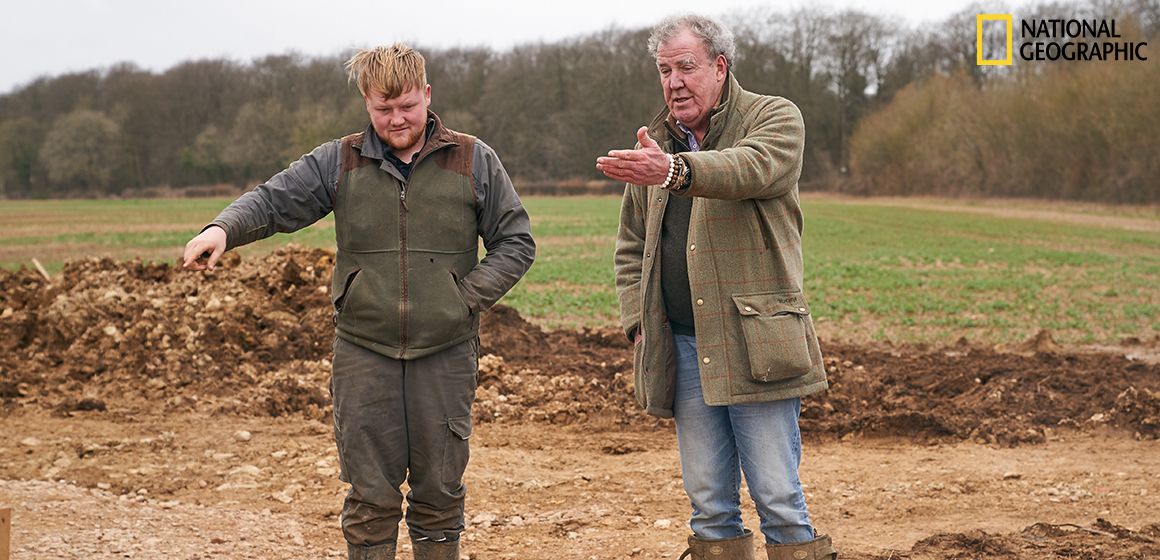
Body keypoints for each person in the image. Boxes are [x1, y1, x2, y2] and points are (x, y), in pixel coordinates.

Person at [182, 44, 535, 560]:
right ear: (366, 104)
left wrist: (463, 299)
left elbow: (516, 242)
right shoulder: (340, 160)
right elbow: (275, 199)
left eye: (407, 107)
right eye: (382, 109)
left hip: (446, 350)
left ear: (428, 95)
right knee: (370, 496)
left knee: (439, 493)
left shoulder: (473, 158)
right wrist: (222, 228)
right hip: (363, 351)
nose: (396, 119)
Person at [599, 14, 836, 560]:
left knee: (778, 495)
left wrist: (676, 171)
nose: (674, 81)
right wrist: (638, 324)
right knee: (708, 502)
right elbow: (632, 246)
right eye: (664, 70)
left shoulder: (773, 117)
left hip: (758, 342)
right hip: (682, 344)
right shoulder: (653, 144)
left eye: (686, 67)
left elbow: (749, 168)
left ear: (720, 67)